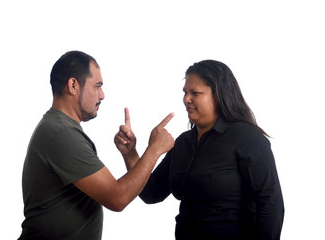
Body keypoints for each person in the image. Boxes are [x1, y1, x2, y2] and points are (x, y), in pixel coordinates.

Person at [117, 60, 284, 239]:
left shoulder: (247, 138)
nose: (186, 99)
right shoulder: (183, 142)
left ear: (219, 95)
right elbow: (152, 193)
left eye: (195, 93)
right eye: (185, 93)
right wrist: (130, 153)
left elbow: (270, 205)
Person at [18, 50, 175, 240]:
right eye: (97, 86)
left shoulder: (59, 128)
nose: (102, 95)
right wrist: (155, 149)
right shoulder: (61, 134)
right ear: (73, 85)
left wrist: (130, 153)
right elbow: (117, 198)